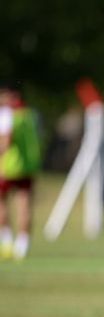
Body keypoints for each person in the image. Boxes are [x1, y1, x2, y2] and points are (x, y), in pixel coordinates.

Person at [0, 84, 41, 260]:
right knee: (24, 205)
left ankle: (7, 242)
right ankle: (22, 246)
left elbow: (6, 141)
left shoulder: (8, 114)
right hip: (28, 166)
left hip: (8, 166)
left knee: (2, 204)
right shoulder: (31, 115)